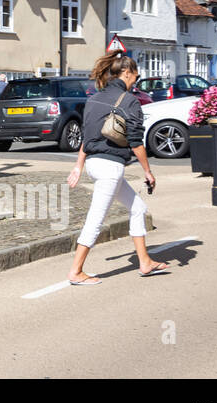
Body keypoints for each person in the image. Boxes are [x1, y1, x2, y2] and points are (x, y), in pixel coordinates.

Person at [66, 52, 168, 284]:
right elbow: (135, 141)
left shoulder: (93, 99)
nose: (136, 80)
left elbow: (87, 136)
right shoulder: (129, 101)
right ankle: (75, 272)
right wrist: (148, 171)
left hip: (94, 163)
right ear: (126, 73)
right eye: (136, 75)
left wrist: (78, 166)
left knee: (138, 208)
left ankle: (145, 262)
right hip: (110, 167)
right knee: (96, 219)